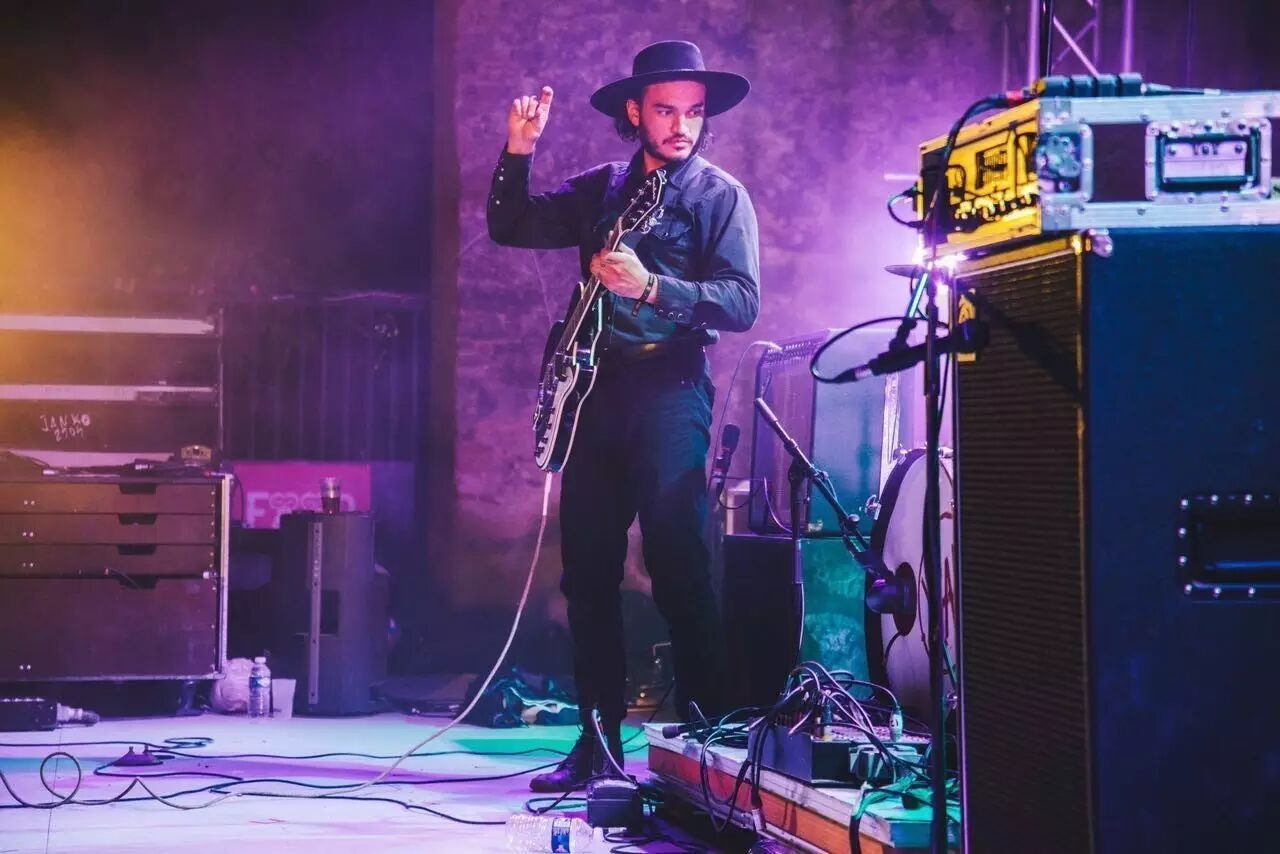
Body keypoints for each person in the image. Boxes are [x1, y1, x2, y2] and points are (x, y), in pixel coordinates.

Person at [487, 40, 760, 792]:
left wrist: (652, 287)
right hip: (594, 394)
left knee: (678, 563)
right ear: (635, 112)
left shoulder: (719, 196)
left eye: (694, 113)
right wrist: (518, 150)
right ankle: (598, 743)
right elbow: (512, 224)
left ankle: (710, 744)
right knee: (588, 574)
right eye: (667, 111)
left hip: (670, 387)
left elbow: (743, 302)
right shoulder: (601, 188)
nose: (682, 126)